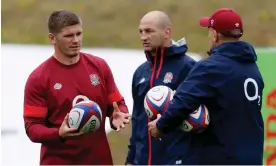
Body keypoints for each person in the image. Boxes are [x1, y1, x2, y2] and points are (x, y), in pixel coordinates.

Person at [148, 8, 265, 165]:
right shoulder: (252, 68)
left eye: (209, 31)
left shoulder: (211, 67)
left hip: (220, 157)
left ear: (215, 35)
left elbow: (183, 101)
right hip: (252, 158)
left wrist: (161, 126)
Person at [23, 9, 130, 165]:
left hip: (99, 161)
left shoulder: (99, 66)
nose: (76, 40)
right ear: (52, 38)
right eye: (68, 36)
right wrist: (59, 133)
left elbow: (117, 104)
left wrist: (117, 116)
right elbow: (32, 127)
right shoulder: (39, 78)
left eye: (79, 34)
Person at [125, 11, 199, 165]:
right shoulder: (140, 73)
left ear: (167, 33)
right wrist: (132, 159)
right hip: (143, 161)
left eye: (149, 31)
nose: (143, 37)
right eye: (141, 32)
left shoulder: (189, 68)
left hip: (177, 160)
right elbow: (138, 119)